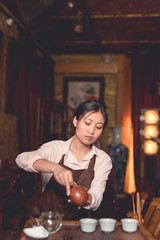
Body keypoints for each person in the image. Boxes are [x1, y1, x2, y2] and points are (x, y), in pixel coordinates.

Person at [15, 100, 112, 220]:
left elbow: (97, 195)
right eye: (87, 123)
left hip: (79, 227)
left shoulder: (102, 159)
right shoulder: (55, 148)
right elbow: (21, 159)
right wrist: (55, 168)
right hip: (46, 224)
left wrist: (86, 198)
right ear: (75, 121)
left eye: (98, 127)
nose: (91, 131)